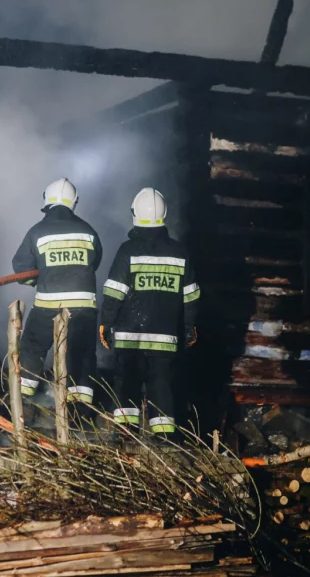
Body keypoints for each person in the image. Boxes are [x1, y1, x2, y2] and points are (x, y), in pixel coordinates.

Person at [99, 188, 199, 439]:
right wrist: (189, 327)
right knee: (162, 387)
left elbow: (114, 292)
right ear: (164, 215)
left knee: (126, 385)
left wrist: (106, 323)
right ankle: (164, 441)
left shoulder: (127, 251)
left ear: (135, 213)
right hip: (165, 339)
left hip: (129, 337)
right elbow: (191, 297)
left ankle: (125, 437)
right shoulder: (179, 253)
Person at [12, 178, 102, 423]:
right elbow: (95, 262)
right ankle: (80, 416)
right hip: (83, 306)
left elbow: (21, 270)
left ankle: (24, 405)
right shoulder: (88, 231)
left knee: (32, 348)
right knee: (81, 355)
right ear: (74, 202)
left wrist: (39, 282)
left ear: (47, 201)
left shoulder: (37, 231)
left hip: (48, 305)